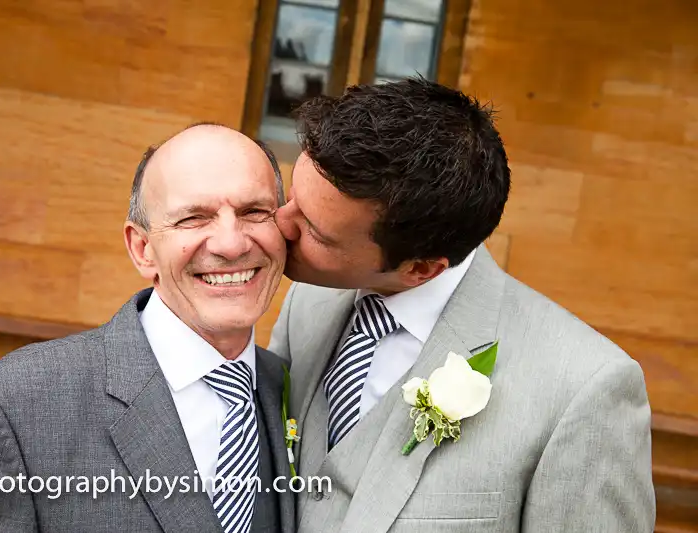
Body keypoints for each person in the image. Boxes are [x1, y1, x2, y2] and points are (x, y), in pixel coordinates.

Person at [268, 77, 655, 533]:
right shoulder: (307, 299)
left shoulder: (585, 388)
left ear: (422, 268)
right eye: (292, 197)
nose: (279, 223)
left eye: (316, 232)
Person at [0, 124, 295, 533]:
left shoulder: (293, 389)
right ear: (142, 249)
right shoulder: (7, 408)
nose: (231, 244)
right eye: (194, 218)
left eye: (254, 212)